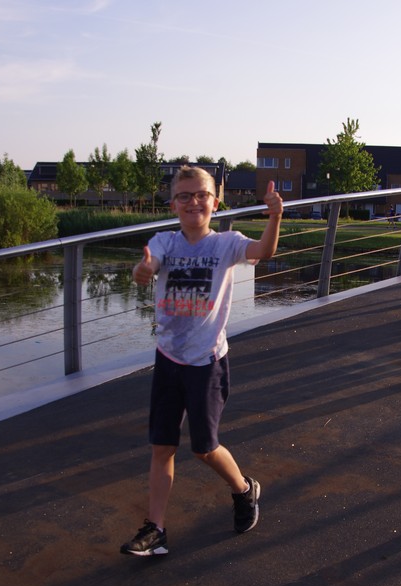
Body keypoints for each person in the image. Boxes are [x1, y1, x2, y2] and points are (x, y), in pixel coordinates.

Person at [121, 166, 283, 556]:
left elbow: (263, 251)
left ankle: (244, 489)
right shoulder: (164, 241)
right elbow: (149, 265)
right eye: (184, 196)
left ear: (215, 201)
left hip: (207, 363)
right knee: (162, 446)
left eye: (201, 195)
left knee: (204, 448)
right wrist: (142, 270)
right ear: (173, 204)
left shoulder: (227, 244)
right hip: (168, 359)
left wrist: (275, 217)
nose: (193, 202)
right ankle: (156, 529)